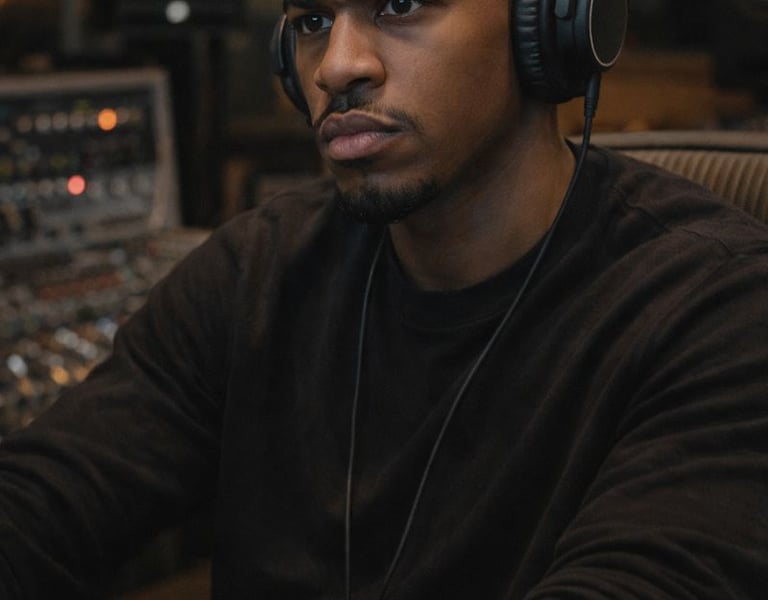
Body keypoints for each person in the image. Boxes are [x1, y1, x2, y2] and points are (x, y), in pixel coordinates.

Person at [2, 0, 768, 598]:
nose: (336, 66)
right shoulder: (255, 271)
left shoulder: (718, 311)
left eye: (399, 5)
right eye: (309, 22)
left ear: (547, 28)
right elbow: (44, 502)